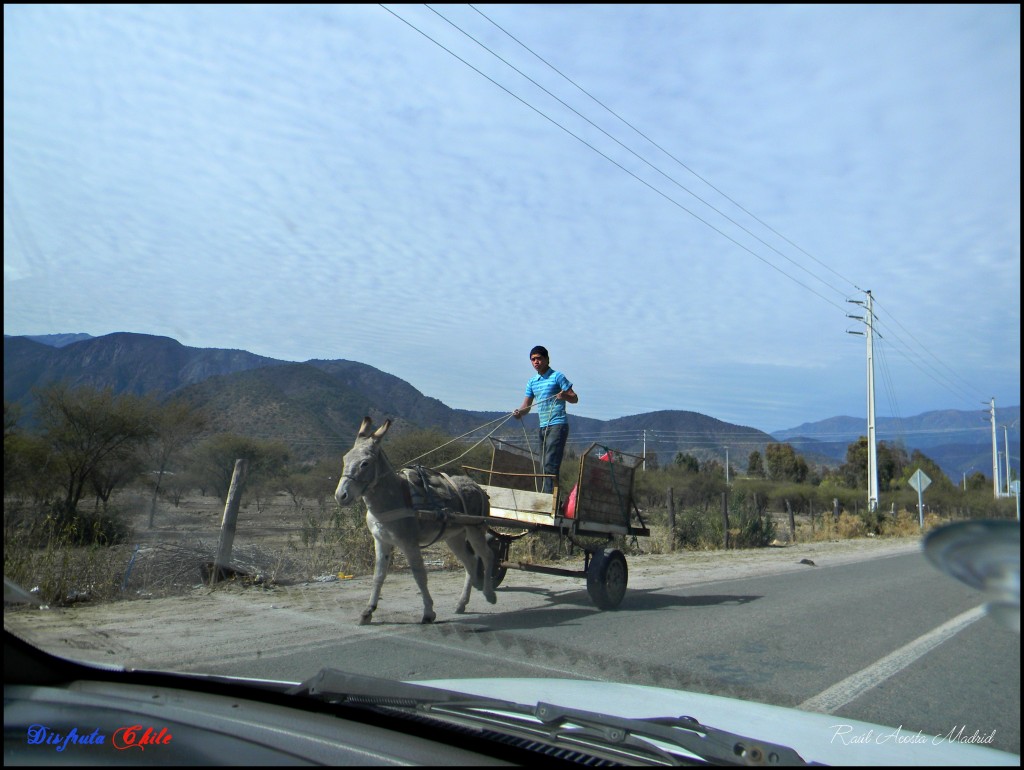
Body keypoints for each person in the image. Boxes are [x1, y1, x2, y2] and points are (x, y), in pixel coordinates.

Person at [512, 345, 578, 494]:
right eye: (533, 359)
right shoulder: (532, 382)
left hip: (558, 424)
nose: (536, 362)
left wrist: (564, 396)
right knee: (542, 465)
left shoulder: (557, 376)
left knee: (550, 463)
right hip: (543, 426)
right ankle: (545, 497)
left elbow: (575, 398)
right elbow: (527, 405)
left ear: (547, 359)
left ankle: (549, 501)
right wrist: (519, 413)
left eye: (539, 358)